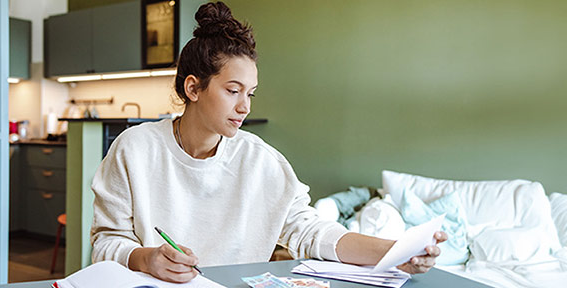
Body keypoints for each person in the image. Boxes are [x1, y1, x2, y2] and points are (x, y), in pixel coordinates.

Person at [90, 1, 447, 283]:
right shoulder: (134, 149)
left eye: (250, 93)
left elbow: (312, 232)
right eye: (233, 91)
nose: (244, 107)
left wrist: (396, 253)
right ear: (193, 88)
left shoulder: (261, 161)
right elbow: (106, 241)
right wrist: (146, 259)